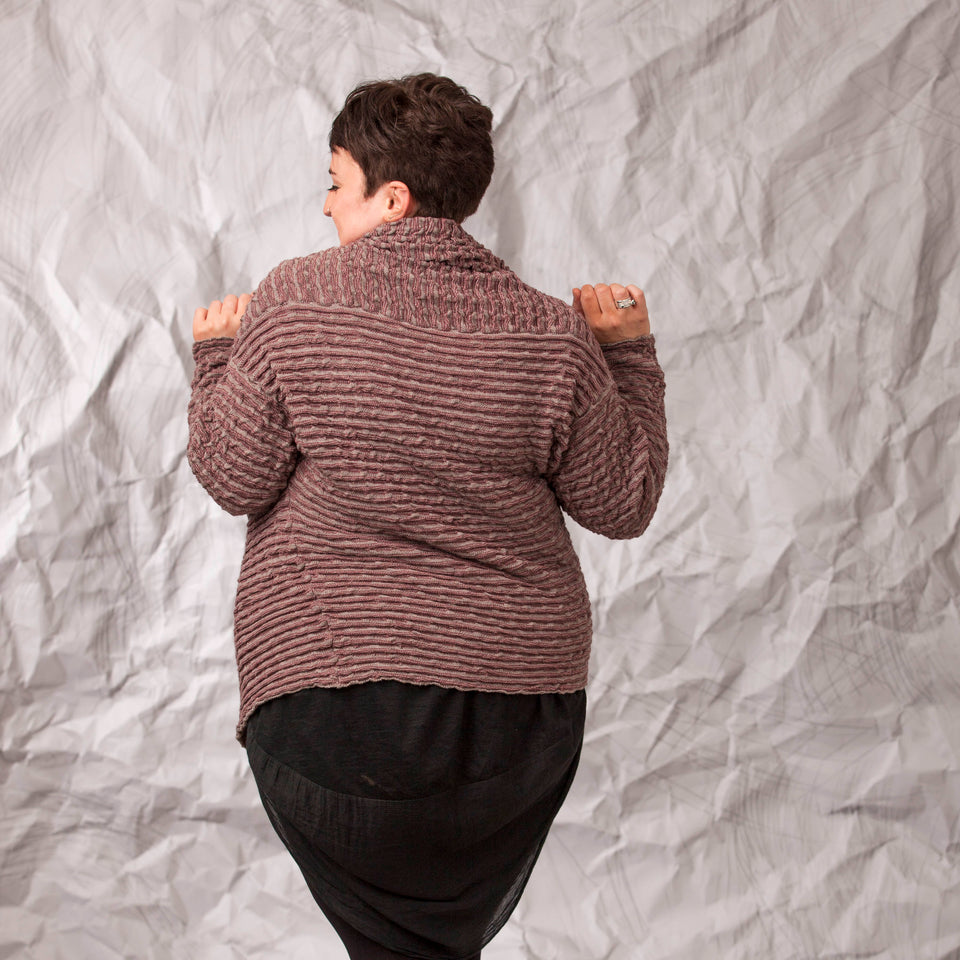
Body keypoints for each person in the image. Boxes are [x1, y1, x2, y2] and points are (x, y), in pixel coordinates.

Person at [188, 73, 667, 960]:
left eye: (337, 183)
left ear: (392, 197)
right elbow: (623, 502)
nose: (325, 205)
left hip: (333, 709)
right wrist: (627, 355)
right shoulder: (550, 333)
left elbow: (233, 474)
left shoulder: (293, 300)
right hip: (513, 729)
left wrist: (218, 355)